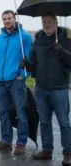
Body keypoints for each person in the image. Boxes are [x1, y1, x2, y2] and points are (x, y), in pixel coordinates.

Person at [0, 10, 33, 155]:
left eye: (9, 18)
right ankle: (6, 141)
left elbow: (30, 59)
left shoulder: (25, 37)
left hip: (16, 80)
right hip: (0, 81)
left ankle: (21, 143)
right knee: (3, 112)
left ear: (14, 19)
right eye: (4, 19)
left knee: (21, 112)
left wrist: (24, 74)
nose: (7, 21)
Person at [21, 14, 71, 164]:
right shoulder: (38, 42)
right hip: (41, 88)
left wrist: (61, 50)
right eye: (44, 22)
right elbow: (33, 65)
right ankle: (47, 150)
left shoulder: (66, 40)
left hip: (59, 89)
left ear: (56, 22)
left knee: (64, 123)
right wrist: (27, 64)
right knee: (44, 121)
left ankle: (68, 152)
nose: (47, 24)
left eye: (50, 21)